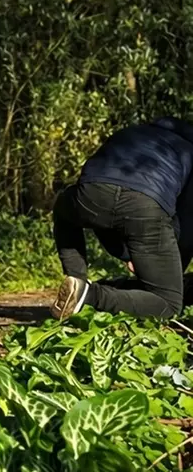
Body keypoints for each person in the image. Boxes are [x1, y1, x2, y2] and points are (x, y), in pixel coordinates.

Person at [50, 116, 193, 321]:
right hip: (144, 207)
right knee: (168, 304)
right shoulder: (188, 151)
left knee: (63, 210)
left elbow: (104, 182)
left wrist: (128, 253)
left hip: (92, 195)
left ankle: (77, 281)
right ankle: (90, 296)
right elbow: (188, 225)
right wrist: (168, 270)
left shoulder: (130, 132)